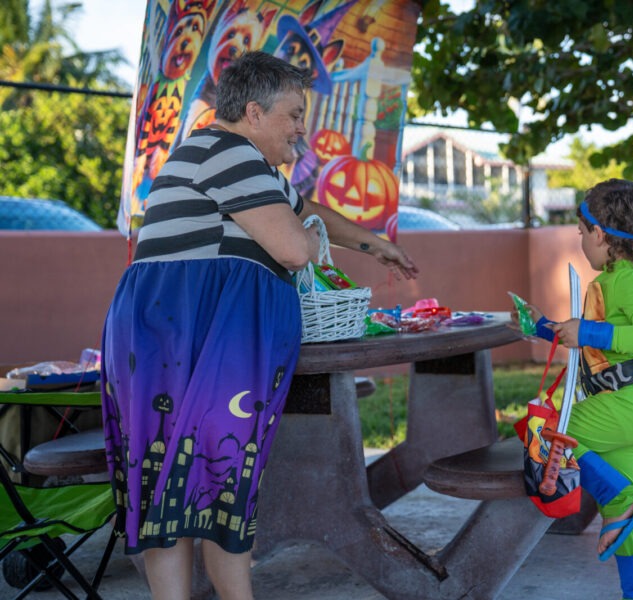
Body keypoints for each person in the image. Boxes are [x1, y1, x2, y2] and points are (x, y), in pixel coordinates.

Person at [100, 51, 417, 600]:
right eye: (294, 116)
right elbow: (296, 248)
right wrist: (313, 236)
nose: (302, 131)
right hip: (184, 336)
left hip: (170, 335)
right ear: (253, 112)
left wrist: (374, 243)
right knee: (215, 478)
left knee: (182, 486)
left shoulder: (239, 163)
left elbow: (307, 207)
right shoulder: (230, 154)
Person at [515, 179, 633, 600]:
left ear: (600, 233)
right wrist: (545, 326)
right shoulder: (615, 279)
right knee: (620, 516)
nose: (580, 240)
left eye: (582, 232)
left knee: (544, 432)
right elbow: (588, 338)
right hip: (630, 406)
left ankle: (625, 496)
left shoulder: (630, 280)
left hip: (628, 403)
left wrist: (590, 331)